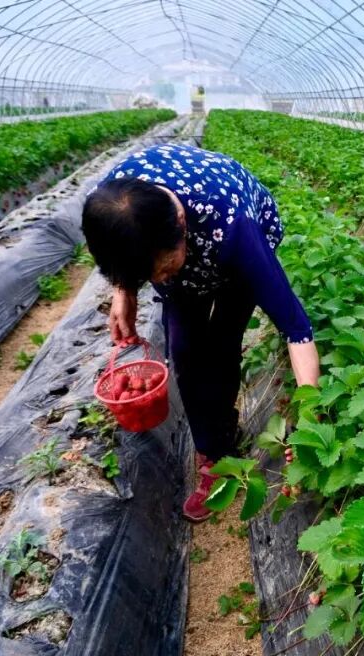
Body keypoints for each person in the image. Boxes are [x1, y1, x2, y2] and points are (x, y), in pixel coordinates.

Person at [82, 143, 319, 520]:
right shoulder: (112, 207)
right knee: (184, 351)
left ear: (180, 221)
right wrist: (125, 292)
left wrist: (309, 416)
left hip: (227, 237)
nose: (160, 279)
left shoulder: (234, 227)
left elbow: (297, 329)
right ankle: (212, 453)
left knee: (224, 341)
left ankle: (224, 430)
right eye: (150, 276)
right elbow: (128, 259)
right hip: (171, 248)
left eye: (165, 267)